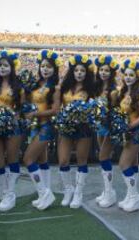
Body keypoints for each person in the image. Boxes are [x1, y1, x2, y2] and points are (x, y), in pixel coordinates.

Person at [22, 50, 61, 210]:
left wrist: (34, 114)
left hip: (46, 127)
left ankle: (44, 192)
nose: (45, 69)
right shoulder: (35, 85)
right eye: (43, 66)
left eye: (49, 67)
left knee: (28, 159)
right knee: (41, 160)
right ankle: (44, 193)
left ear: (54, 69)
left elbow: (56, 110)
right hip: (34, 127)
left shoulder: (56, 88)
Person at [0, 50, 24, 212]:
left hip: (12, 128)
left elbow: (21, 109)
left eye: (6, 65)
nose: (2, 68)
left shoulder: (19, 88)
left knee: (13, 160)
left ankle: (10, 194)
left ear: (12, 67)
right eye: (0, 65)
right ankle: (5, 192)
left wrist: (12, 118)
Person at [58, 54, 95, 208]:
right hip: (66, 127)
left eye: (82, 71)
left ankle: (78, 193)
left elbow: (96, 107)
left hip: (84, 127)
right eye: (76, 70)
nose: (79, 73)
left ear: (87, 73)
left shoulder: (91, 89)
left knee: (81, 160)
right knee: (63, 160)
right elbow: (58, 105)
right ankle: (68, 189)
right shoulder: (65, 87)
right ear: (72, 72)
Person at [114, 58, 139, 212]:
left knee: (123, 164)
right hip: (127, 132)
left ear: (136, 78)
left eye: (131, 75)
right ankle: (130, 195)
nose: (128, 77)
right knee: (132, 164)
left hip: (136, 132)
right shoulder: (123, 92)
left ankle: (135, 197)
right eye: (126, 75)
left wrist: (129, 126)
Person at [94, 55, 120, 208]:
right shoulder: (96, 89)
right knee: (104, 158)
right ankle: (107, 190)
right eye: (101, 70)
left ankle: (110, 193)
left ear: (112, 73)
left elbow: (116, 112)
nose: (104, 72)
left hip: (109, 127)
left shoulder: (113, 91)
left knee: (103, 156)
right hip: (99, 126)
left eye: (107, 70)